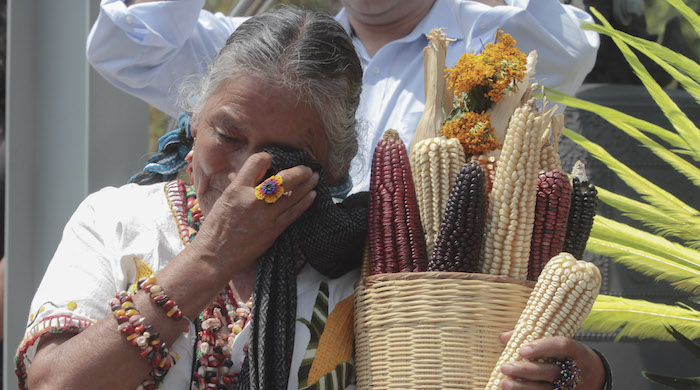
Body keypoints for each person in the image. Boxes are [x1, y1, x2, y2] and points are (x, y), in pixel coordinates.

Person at [18, 8, 607, 390]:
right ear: (195, 116)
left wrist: (579, 382)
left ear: (333, 164)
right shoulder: (118, 220)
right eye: (226, 134)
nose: (242, 172)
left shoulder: (380, 260)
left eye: (279, 157)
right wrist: (211, 255)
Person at [86, 0, 600, 193]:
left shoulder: (496, 39)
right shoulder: (270, 53)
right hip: (286, 337)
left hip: (424, 331)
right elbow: (127, 49)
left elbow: (569, 47)